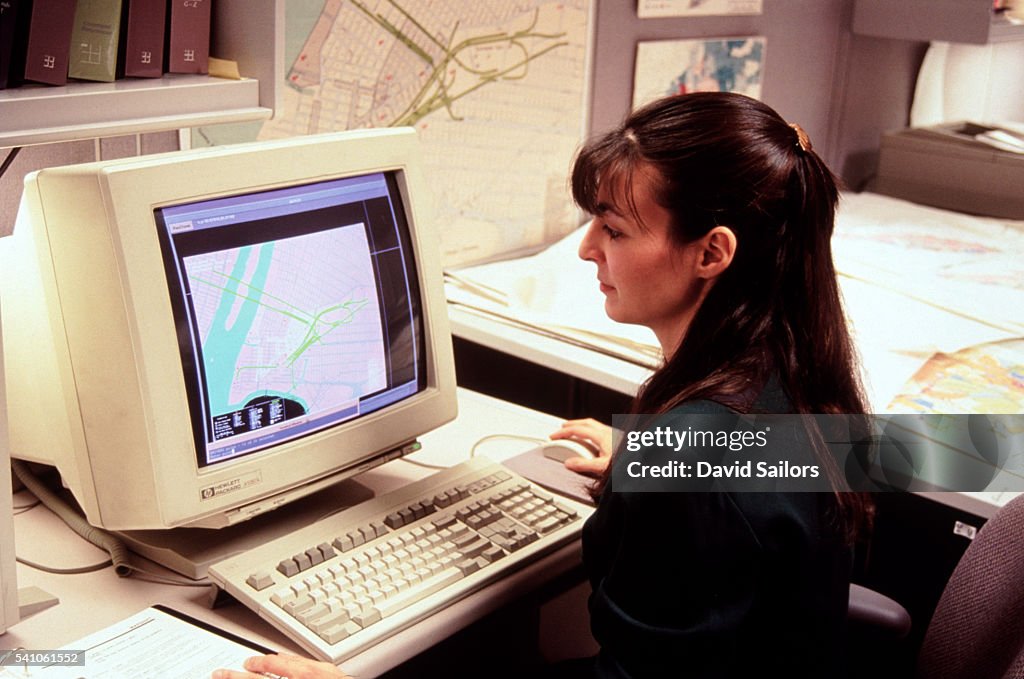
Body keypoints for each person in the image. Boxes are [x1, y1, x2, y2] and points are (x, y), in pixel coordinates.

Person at [214, 91, 871, 679]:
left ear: (712, 252)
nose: (587, 248)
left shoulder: (693, 457)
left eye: (613, 228)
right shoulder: (795, 371)